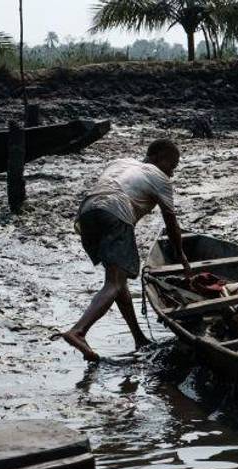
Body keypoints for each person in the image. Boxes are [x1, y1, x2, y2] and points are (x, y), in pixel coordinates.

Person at [54, 138, 192, 361]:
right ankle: (78, 331)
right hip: (115, 212)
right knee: (114, 283)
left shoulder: (120, 162)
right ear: (158, 158)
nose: (172, 174)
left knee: (118, 282)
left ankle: (138, 337)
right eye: (172, 166)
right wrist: (182, 255)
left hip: (87, 212)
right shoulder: (159, 178)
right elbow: (171, 221)